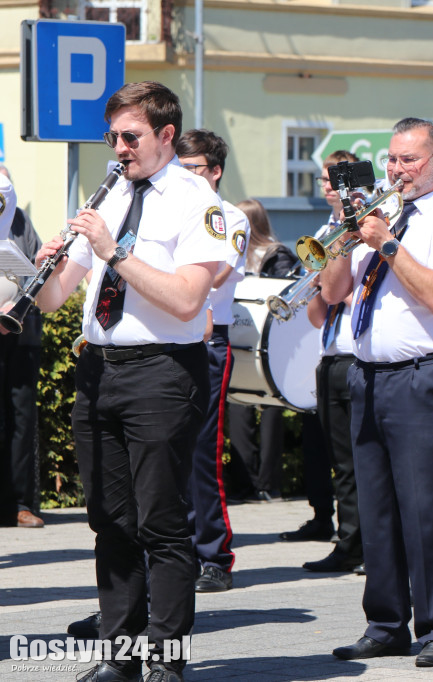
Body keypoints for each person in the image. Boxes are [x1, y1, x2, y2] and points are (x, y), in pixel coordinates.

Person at [32, 81, 224, 682]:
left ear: (166, 135)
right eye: (112, 136)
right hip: (100, 368)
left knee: (161, 521)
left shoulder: (204, 205)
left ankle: (166, 657)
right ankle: (121, 654)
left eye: (130, 136)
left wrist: (112, 251)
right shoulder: (112, 194)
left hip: (163, 371)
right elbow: (59, 297)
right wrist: (39, 268)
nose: (117, 148)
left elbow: (189, 300)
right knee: (109, 519)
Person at [326, 117, 433, 668]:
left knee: (427, 509)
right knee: (377, 510)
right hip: (367, 374)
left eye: (409, 160)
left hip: (423, 375)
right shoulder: (381, 216)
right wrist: (345, 241)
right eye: (392, 160)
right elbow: (334, 291)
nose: (396, 170)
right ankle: (386, 623)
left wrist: (387, 242)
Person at [175, 129, 250, 593]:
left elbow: (218, 272)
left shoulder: (232, 217)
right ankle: (174, 549)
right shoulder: (171, 211)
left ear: (215, 171)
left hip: (209, 339)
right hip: (171, 335)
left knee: (203, 452)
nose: (184, 178)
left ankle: (215, 554)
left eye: (193, 170)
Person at [294, 149, 365, 573]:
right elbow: (318, 311)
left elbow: (364, 292)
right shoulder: (325, 230)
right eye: (322, 179)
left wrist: (338, 287)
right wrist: (322, 287)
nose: (325, 187)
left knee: (363, 460)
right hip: (330, 353)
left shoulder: (367, 226)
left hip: (358, 354)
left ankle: (370, 543)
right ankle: (349, 540)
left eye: (332, 179)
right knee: (342, 462)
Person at [225, 199, 298, 505]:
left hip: (268, 341)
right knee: (238, 404)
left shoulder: (276, 254)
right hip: (242, 336)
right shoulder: (235, 252)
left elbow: (285, 292)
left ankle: (267, 484)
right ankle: (245, 483)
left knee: (270, 411)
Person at [0, 166, 44, 529]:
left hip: (20, 332)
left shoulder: (20, 221)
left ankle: (21, 503)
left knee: (22, 417)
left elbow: (36, 270)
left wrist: (16, 304)